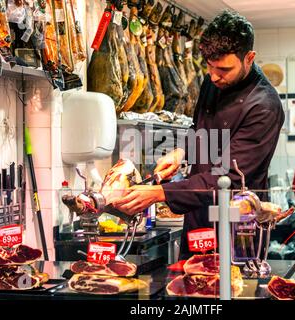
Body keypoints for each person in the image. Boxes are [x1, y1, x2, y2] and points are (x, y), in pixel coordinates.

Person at [112, 10, 285, 259]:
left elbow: (229, 179)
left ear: (249, 58)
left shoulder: (264, 106)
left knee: (229, 290)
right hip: (198, 215)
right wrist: (181, 151)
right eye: (210, 67)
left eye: (224, 69)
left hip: (237, 224)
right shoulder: (213, 81)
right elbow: (200, 129)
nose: (214, 76)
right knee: (189, 288)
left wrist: (161, 193)